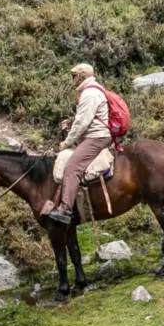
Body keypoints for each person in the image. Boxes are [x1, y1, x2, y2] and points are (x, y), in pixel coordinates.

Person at [44, 63, 116, 225]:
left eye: (74, 76)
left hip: (96, 137)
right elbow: (88, 117)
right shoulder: (94, 90)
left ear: (82, 76)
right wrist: (70, 122)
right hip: (97, 135)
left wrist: (66, 142)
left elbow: (83, 122)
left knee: (72, 167)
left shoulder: (89, 93)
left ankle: (65, 210)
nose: (72, 79)